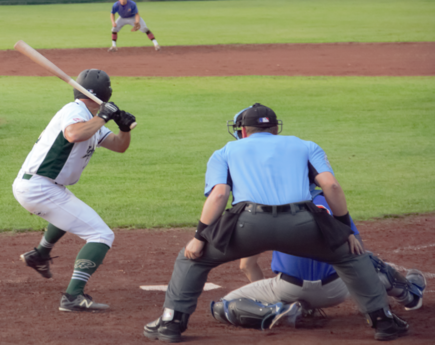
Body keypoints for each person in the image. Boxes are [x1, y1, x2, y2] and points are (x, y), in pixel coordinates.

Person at [143, 103, 411, 342]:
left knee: (193, 259)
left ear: (243, 131)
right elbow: (331, 186)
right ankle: (383, 321)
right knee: (352, 257)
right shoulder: (305, 145)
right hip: (303, 225)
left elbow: (220, 195)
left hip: (248, 225)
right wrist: (344, 230)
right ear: (275, 129)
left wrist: (200, 237)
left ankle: (171, 323)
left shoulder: (226, 150)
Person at [211, 191, 426, 331]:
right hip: (338, 288)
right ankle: (410, 295)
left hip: (288, 289)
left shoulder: (271, 207)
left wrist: (273, 299)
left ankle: (277, 311)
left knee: (223, 307)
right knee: (370, 261)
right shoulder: (329, 203)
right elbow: (357, 254)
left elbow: (246, 265)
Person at [13, 69, 136, 312]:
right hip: (39, 187)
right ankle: (72, 297)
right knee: (101, 235)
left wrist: (124, 128)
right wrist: (102, 117)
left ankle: (39, 255)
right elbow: (72, 134)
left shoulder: (89, 118)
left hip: (44, 187)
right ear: (105, 93)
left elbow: (119, 146)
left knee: (70, 212)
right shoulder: (74, 111)